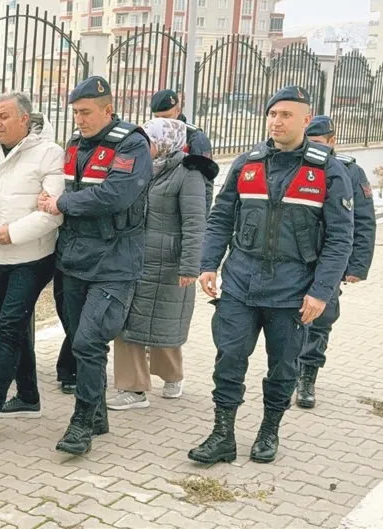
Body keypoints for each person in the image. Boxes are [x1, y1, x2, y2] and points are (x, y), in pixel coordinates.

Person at [189, 86, 354, 466]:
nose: (277, 121)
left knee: (282, 366)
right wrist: (208, 264)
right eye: (273, 114)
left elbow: (340, 238)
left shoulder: (328, 170)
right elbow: (220, 218)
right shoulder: (248, 163)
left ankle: (269, 430)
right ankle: (222, 435)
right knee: (228, 358)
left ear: (306, 120)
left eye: (286, 115)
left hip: (293, 293)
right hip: (241, 285)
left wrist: (321, 292)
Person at [38, 76, 152, 455]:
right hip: (72, 259)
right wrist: (49, 196)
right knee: (78, 338)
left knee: (89, 341)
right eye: (75, 113)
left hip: (114, 261)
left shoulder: (132, 144)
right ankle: (98, 412)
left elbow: (117, 194)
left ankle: (82, 423)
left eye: (86, 112)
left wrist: (63, 205)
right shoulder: (74, 144)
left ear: (108, 108)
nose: (80, 119)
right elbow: (62, 187)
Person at [0, 93, 64, 437]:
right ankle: (29, 396)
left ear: (24, 119)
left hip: (32, 257)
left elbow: (53, 212)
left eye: (4, 116)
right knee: (13, 325)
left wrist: (13, 232)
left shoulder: (49, 153)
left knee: (7, 327)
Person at [108, 118, 216, 410]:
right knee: (128, 323)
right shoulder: (139, 167)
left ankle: (172, 375)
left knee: (164, 325)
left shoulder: (188, 173)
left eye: (150, 140)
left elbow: (195, 224)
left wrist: (189, 267)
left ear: (165, 142)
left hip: (168, 263)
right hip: (134, 258)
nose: (145, 146)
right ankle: (133, 389)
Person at [296, 116, 376, 408]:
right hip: (295, 257)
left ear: (332, 141)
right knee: (291, 316)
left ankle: (307, 376)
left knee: (321, 318)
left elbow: (364, 222)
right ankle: (288, 369)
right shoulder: (298, 164)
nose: (314, 149)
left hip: (331, 258)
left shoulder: (351, 171)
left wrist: (357, 266)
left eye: (319, 143)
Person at [151, 89, 215, 214]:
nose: (161, 122)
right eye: (156, 117)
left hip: (183, 211)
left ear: (177, 111)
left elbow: (206, 184)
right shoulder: (151, 134)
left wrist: (200, 221)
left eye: (165, 117)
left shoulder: (195, 138)